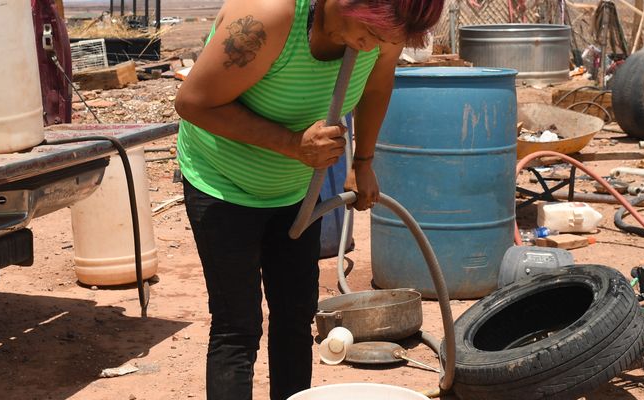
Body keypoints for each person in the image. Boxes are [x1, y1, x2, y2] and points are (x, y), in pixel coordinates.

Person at [173, 0, 442, 398]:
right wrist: (292, 144)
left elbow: (377, 82)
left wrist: (363, 161)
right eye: (370, 35)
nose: (372, 48)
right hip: (223, 182)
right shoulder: (270, 15)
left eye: (385, 41)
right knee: (238, 326)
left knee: (296, 317)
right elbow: (192, 102)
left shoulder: (383, 27)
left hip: (298, 188)